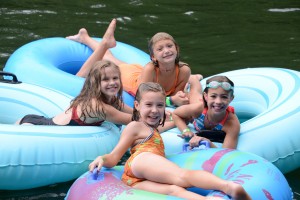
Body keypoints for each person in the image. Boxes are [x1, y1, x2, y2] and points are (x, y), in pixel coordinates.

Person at [89, 82, 251, 200]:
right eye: (149, 105)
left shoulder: (152, 129)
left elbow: (171, 122)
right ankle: (227, 186)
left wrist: (184, 126)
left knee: (174, 190)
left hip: (134, 179)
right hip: (141, 160)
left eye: (160, 105)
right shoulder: (134, 126)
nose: (154, 110)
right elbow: (115, 156)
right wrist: (102, 159)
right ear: (137, 105)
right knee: (182, 176)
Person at [16, 19, 133, 126]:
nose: (112, 82)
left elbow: (136, 113)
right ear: (96, 83)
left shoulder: (111, 99)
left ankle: (104, 43)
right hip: (35, 126)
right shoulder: (97, 106)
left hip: (43, 120)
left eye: (115, 78)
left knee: (80, 76)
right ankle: (104, 43)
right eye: (106, 79)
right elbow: (135, 119)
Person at [66, 20, 203, 107]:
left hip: (139, 73)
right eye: (160, 49)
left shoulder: (184, 70)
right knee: (104, 64)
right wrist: (170, 101)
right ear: (153, 57)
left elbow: (175, 93)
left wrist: (179, 97)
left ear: (177, 49)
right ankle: (88, 38)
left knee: (113, 59)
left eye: (169, 46)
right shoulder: (150, 69)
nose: (166, 51)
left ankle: (85, 37)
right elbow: (142, 96)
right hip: (131, 80)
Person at [172, 75, 240, 149]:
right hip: (199, 103)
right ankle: (194, 78)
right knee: (194, 92)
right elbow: (175, 114)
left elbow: (226, 153)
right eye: (213, 96)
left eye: (224, 97)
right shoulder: (198, 109)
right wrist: (185, 130)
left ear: (231, 98)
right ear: (206, 96)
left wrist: (206, 141)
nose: (218, 101)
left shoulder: (232, 123)